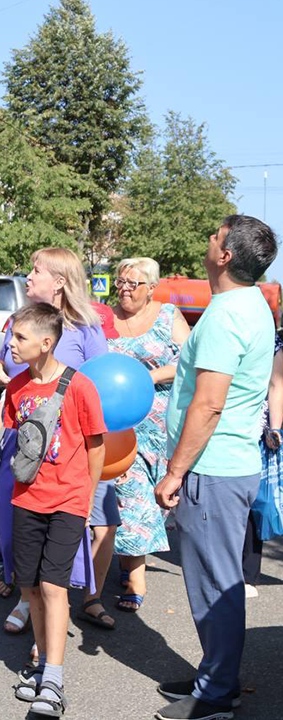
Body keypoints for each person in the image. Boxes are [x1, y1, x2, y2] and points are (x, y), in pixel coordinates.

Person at [155, 215, 278, 720]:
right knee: (216, 578)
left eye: (213, 235)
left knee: (214, 583)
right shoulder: (250, 304)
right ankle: (216, 674)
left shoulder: (227, 315)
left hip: (214, 468)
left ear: (225, 255)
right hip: (231, 464)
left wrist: (175, 472)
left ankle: (215, 696)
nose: (207, 240)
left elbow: (208, 405)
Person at [0, 247, 108, 636]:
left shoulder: (85, 329)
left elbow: (100, 387)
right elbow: (6, 365)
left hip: (64, 449)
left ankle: (56, 606)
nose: (29, 276)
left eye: (36, 270)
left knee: (61, 528)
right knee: (10, 518)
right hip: (20, 440)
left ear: (59, 281)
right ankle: (26, 596)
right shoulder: (18, 323)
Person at [4, 304, 106, 717]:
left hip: (67, 502)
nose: (11, 344)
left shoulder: (79, 387)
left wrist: (85, 498)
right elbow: (19, 439)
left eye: (19, 338)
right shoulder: (16, 388)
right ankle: (42, 663)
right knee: (28, 586)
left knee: (53, 587)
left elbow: (96, 446)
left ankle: (54, 680)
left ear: (46, 343)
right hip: (25, 500)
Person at [107, 258, 190, 613]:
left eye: (133, 284)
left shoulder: (168, 316)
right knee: (131, 493)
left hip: (159, 423)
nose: (124, 289)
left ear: (152, 288)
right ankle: (135, 577)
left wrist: (151, 377)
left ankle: (127, 563)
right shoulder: (104, 317)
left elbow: (190, 363)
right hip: (118, 425)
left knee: (147, 496)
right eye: (120, 282)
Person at [245, 330, 283, 596]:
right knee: (254, 499)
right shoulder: (272, 338)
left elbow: (276, 384)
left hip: (267, 427)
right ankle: (247, 573)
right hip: (262, 428)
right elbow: (275, 385)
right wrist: (274, 428)